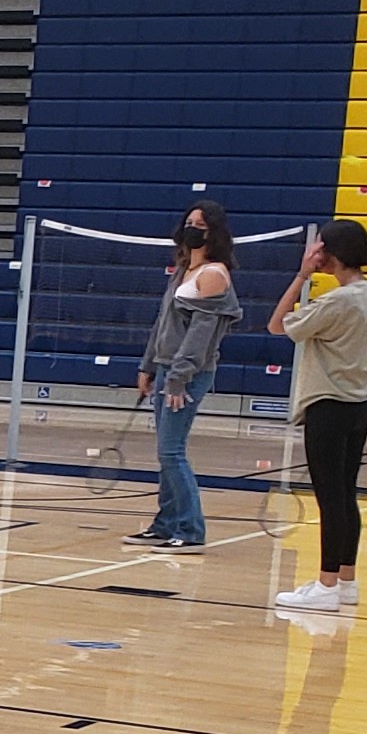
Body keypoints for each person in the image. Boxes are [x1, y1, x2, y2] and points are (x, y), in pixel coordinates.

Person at [266, 218, 367, 613]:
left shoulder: (338, 301)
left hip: (330, 405)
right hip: (361, 405)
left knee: (330, 498)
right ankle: (346, 580)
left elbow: (277, 325)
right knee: (346, 493)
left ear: (330, 255)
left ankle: (325, 585)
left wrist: (301, 275)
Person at [125, 218, 236, 551]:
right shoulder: (182, 270)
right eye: (189, 222)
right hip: (163, 369)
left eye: (200, 224)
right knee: (165, 453)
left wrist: (177, 378)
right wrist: (147, 366)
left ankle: (190, 529)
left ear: (213, 231)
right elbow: (163, 323)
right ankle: (165, 524)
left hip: (187, 375)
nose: (193, 228)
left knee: (172, 452)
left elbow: (200, 336)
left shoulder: (213, 275)